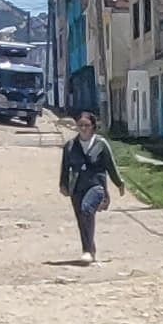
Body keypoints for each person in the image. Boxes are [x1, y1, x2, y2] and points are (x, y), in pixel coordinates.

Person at [56, 109, 116, 265]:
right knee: (81, 218)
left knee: (87, 210)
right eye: (80, 125)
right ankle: (89, 249)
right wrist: (63, 184)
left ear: (93, 126)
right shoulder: (70, 146)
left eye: (87, 125)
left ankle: (88, 250)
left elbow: (111, 166)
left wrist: (119, 183)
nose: (83, 128)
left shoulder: (100, 144)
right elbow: (65, 167)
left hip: (96, 185)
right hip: (76, 186)